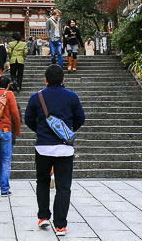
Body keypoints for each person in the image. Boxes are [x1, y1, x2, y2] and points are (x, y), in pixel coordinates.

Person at [24, 64, 86, 236]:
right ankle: (60, 226)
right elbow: (81, 118)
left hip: (43, 147)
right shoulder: (72, 96)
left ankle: (43, 216)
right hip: (64, 149)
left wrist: (40, 131)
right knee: (63, 187)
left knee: (42, 181)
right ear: (63, 79)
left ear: (45, 79)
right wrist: (67, 131)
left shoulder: (37, 97)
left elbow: (28, 119)